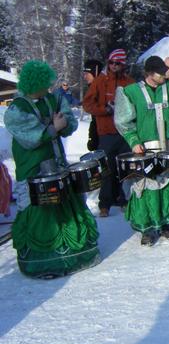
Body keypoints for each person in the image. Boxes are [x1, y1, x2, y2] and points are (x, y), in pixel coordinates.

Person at [3, 60, 100, 278]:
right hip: (32, 166)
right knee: (39, 207)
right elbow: (29, 138)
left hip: (57, 162)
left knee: (65, 200)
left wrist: (63, 125)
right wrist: (53, 128)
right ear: (33, 84)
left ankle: (76, 256)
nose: (48, 87)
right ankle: (44, 263)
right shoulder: (17, 109)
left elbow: (69, 122)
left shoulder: (53, 99)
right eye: (44, 84)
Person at [113, 56, 169, 246]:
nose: (164, 75)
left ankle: (166, 225)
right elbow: (123, 121)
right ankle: (146, 229)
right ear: (149, 73)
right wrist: (133, 141)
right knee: (145, 189)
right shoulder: (131, 92)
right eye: (160, 73)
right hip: (145, 150)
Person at [83, 49, 135, 217]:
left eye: (117, 63)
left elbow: (137, 104)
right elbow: (87, 104)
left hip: (125, 133)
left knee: (126, 169)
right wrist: (104, 109)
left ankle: (125, 200)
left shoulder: (129, 82)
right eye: (111, 62)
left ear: (123, 65)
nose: (113, 66)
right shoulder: (100, 80)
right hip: (106, 132)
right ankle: (104, 204)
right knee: (106, 170)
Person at [83, 59, 103, 151]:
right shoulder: (92, 90)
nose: (85, 77)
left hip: (105, 137)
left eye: (87, 74)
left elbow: (99, 118)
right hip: (98, 136)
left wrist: (94, 138)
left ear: (95, 73)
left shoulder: (102, 90)